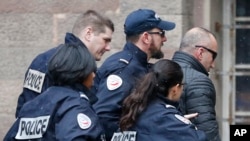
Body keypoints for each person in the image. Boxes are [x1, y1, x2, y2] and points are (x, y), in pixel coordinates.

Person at [91, 9, 175, 140]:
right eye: (161, 33)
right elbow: (104, 118)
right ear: (146, 37)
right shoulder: (125, 69)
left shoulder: (139, 66)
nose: (165, 38)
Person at [15, 9, 114, 117]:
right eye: (106, 40)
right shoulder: (75, 68)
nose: (108, 48)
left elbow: (24, 109)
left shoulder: (42, 59)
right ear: (88, 33)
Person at [4, 42, 105, 141]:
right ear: (80, 73)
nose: (94, 76)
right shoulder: (75, 104)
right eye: (91, 71)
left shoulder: (33, 104)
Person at [110, 59, 207, 141]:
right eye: (182, 85)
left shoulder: (136, 108)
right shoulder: (164, 119)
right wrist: (182, 124)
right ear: (175, 89)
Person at [172, 27, 221, 141]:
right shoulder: (199, 81)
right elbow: (208, 134)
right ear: (200, 52)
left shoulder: (156, 72)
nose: (213, 64)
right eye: (214, 56)